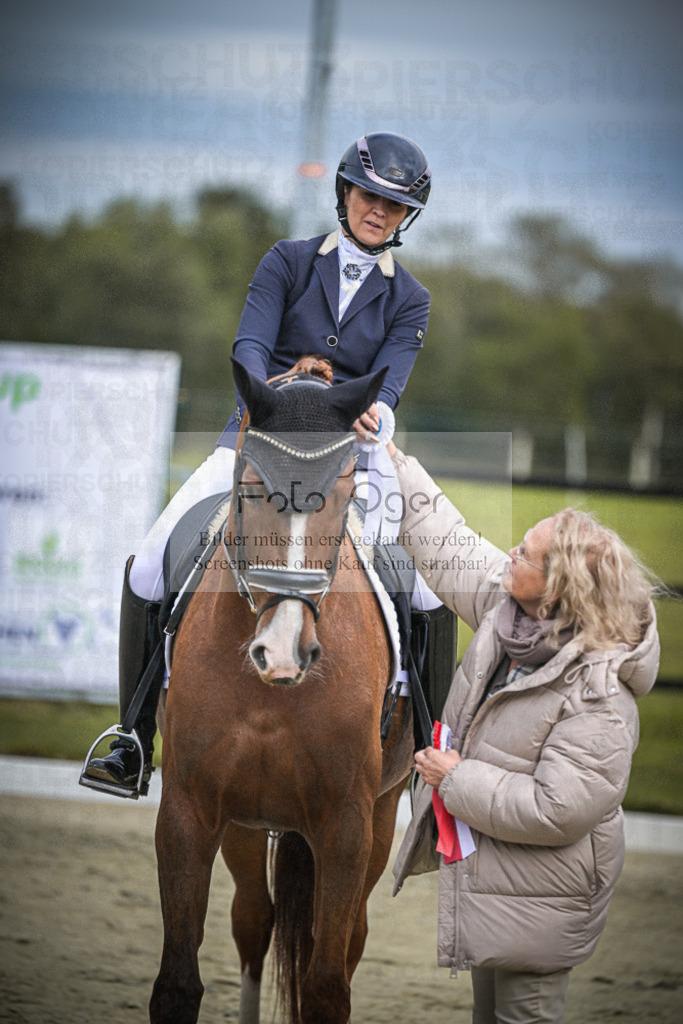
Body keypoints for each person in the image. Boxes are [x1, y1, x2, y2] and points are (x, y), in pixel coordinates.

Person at [81, 132, 433, 796]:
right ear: (344, 192)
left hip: (349, 454)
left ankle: (427, 745)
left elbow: (388, 388)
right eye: (369, 196)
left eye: (394, 207)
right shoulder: (288, 261)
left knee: (427, 587)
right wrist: (277, 400)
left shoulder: (409, 298)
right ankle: (131, 737)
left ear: (405, 218)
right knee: (153, 560)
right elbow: (249, 348)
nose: (378, 212)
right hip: (258, 436)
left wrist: (373, 417)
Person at [387, 442, 660, 1024]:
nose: (510, 553)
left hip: (542, 899)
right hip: (500, 882)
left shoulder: (602, 695)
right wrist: (394, 459)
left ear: (557, 590)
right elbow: (447, 544)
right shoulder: (513, 612)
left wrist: (454, 777)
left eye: (526, 553)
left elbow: (557, 809)